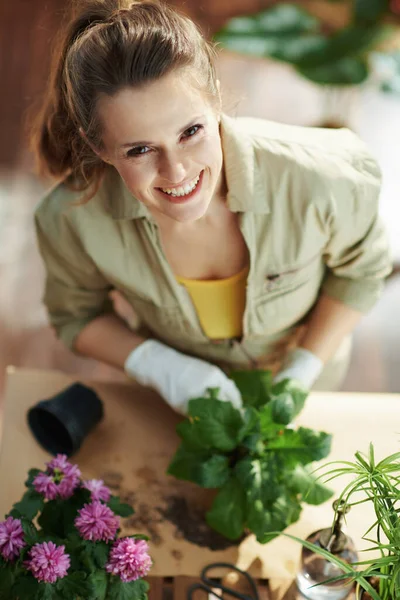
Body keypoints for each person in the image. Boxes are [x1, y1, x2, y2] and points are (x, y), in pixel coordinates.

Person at [32, 0, 392, 415]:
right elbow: (76, 315)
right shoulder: (70, 220)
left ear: (216, 98)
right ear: (99, 146)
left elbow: (363, 270)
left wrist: (302, 368)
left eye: (191, 131)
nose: (176, 171)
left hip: (312, 390)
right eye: (140, 149)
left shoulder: (324, 177)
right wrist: (165, 368)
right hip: (174, 407)